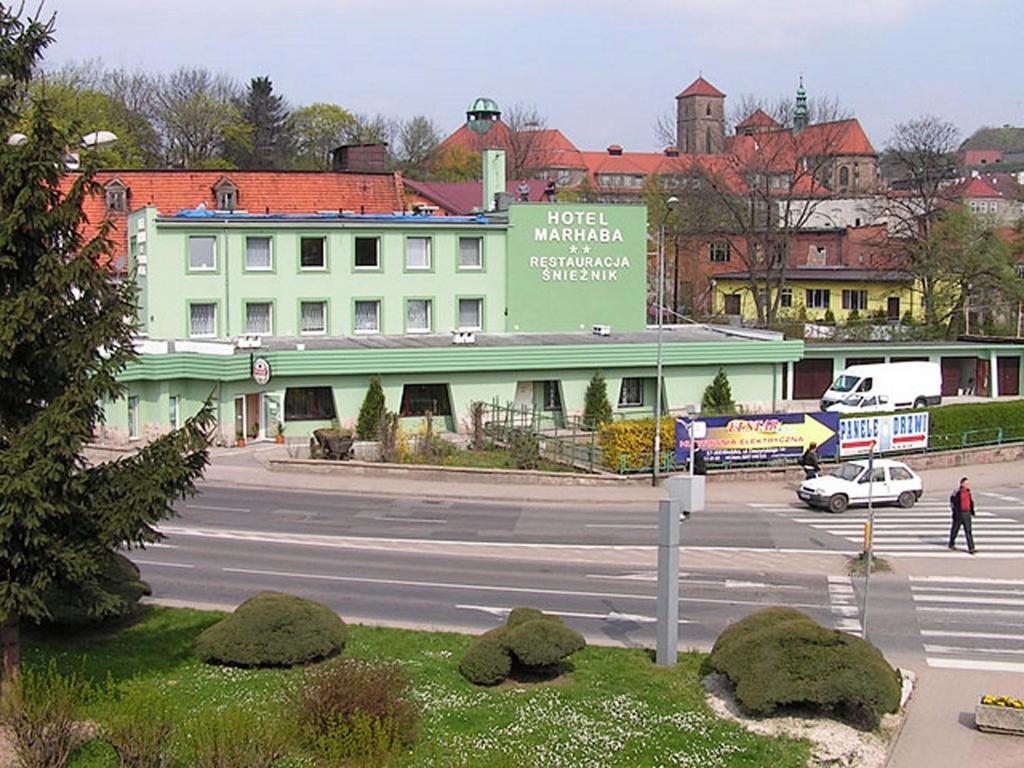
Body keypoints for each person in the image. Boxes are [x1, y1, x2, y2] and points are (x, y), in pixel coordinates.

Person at [948, 476, 977, 554]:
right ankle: (951, 543)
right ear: (962, 484)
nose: (968, 485)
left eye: (968, 483)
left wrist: (972, 511)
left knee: (968, 531)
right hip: (959, 514)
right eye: (966, 483)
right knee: (955, 529)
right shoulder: (957, 492)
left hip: (966, 513)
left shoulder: (968, 492)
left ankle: (971, 548)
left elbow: (970, 502)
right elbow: (952, 502)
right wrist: (955, 512)